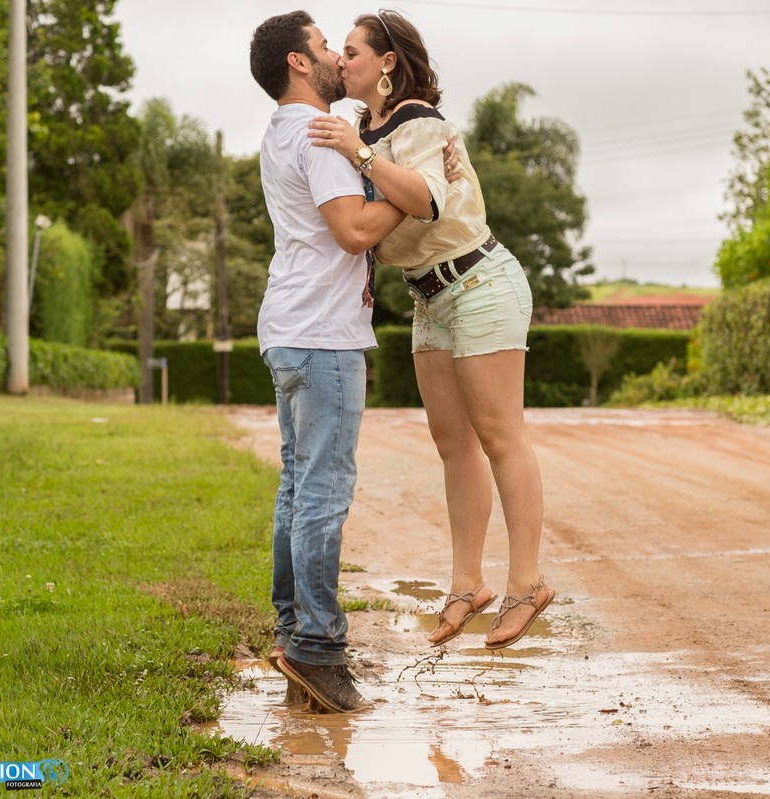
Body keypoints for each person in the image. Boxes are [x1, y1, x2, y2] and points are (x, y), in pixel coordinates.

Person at [307, 10, 554, 651]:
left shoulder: (417, 119)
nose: (343, 59)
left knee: (501, 435)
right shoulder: (368, 125)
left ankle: (528, 584)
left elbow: (428, 201)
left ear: (388, 62)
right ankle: (466, 586)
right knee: (453, 445)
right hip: (429, 298)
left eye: (354, 51)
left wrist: (359, 154)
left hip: (479, 283)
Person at [247, 10, 459, 713]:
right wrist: (424, 192)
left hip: (290, 325)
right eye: (324, 45)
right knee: (323, 494)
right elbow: (353, 231)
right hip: (323, 335)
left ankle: (293, 636)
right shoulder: (317, 137)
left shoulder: (282, 131)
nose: (339, 54)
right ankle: (317, 646)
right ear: (299, 64)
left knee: (297, 489)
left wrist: (384, 172)